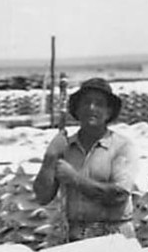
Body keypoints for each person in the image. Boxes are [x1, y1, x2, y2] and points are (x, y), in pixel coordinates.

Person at [31, 77, 141, 243]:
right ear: (77, 109)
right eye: (86, 103)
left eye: (99, 104)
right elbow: (43, 197)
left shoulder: (122, 147)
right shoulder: (65, 147)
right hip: (76, 237)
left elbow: (118, 196)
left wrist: (74, 178)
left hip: (114, 236)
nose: (91, 108)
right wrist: (50, 156)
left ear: (109, 112)